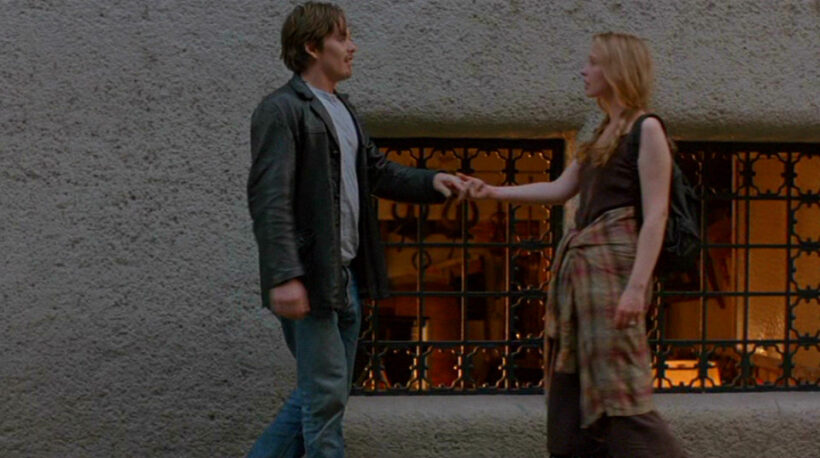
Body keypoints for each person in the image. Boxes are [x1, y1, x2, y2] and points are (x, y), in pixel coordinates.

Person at [245, 3, 466, 457]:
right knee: (324, 401)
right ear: (312, 47)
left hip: (345, 279)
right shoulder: (281, 110)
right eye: (342, 37)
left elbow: (378, 171)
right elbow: (270, 200)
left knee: (323, 395)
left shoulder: (343, 109)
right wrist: (285, 276)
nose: (353, 47)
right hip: (312, 278)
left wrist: (433, 182)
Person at [459, 32, 687, 457]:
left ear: (617, 69)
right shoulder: (602, 131)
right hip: (583, 282)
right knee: (571, 387)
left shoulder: (647, 129)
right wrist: (493, 192)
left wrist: (637, 288)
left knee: (621, 393)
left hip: (613, 279)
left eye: (593, 62)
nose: (584, 70)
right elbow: (561, 188)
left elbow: (656, 215)